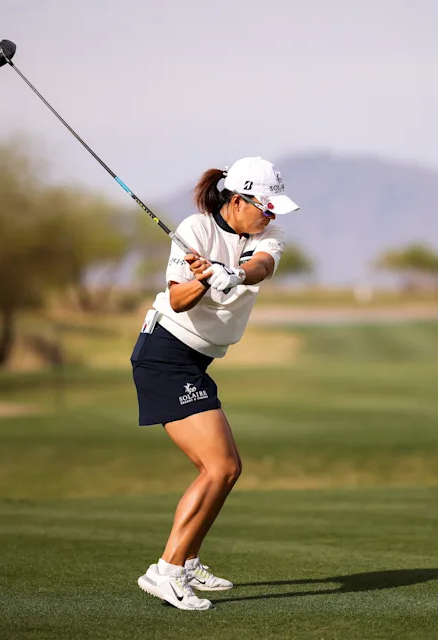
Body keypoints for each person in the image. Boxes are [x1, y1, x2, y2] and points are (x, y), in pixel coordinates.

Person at [132, 156, 299, 610]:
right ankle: (165, 571)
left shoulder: (268, 236)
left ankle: (186, 562)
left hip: (197, 361)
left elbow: (261, 265)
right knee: (221, 467)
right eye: (265, 206)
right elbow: (177, 300)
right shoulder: (195, 231)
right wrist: (204, 278)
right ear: (239, 199)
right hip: (165, 354)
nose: (271, 215)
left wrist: (233, 273)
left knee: (224, 471)